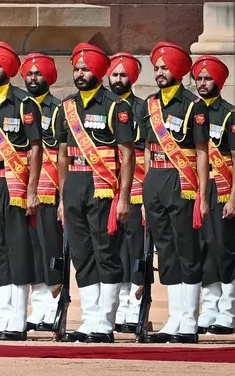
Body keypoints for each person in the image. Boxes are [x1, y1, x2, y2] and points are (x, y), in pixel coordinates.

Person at [56, 43, 135, 344]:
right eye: (77, 68)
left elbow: (127, 157)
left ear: (98, 72)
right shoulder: (66, 108)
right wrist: (63, 197)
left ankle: (105, 320)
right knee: (82, 255)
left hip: (102, 188)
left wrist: (124, 197)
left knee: (106, 253)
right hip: (74, 185)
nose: (79, 73)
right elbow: (62, 155)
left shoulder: (117, 107)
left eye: (85, 68)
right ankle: (89, 317)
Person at [0, 41, 43, 341]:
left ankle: (18, 319)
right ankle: (2, 316)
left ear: (10, 69)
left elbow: (36, 148)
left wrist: (31, 190)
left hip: (15, 183)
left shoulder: (26, 104)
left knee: (16, 248)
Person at [141, 42, 209, 344]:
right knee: (166, 250)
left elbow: (202, 152)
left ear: (178, 71)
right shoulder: (149, 104)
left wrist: (203, 194)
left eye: (164, 68)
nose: (159, 72)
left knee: (186, 248)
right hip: (155, 178)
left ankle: (189, 322)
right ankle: (175, 318)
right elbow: (144, 148)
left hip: (182, 181)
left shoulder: (194, 106)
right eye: (156, 68)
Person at [192, 55, 235, 335]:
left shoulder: (230, 114)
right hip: (197, 187)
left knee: (225, 248)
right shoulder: (191, 111)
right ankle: (208, 308)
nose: (203, 83)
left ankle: (228, 310)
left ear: (218, 82)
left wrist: (233, 197)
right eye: (199, 78)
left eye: (208, 79)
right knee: (203, 247)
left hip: (222, 187)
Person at [20, 53, 63, 332]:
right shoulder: (20, 106)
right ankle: (39, 308)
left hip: (49, 185)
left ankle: (54, 306)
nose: (33, 78)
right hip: (19, 184)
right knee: (31, 250)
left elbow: (62, 151)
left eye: (38, 73)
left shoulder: (57, 109)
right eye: (29, 73)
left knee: (50, 247)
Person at [106, 52, 147, 333]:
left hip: (136, 186)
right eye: (114, 74)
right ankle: (119, 306)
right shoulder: (104, 105)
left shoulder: (144, 109)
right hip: (108, 185)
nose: (118, 79)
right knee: (114, 249)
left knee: (135, 249)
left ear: (132, 77)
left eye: (123, 75)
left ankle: (136, 307)